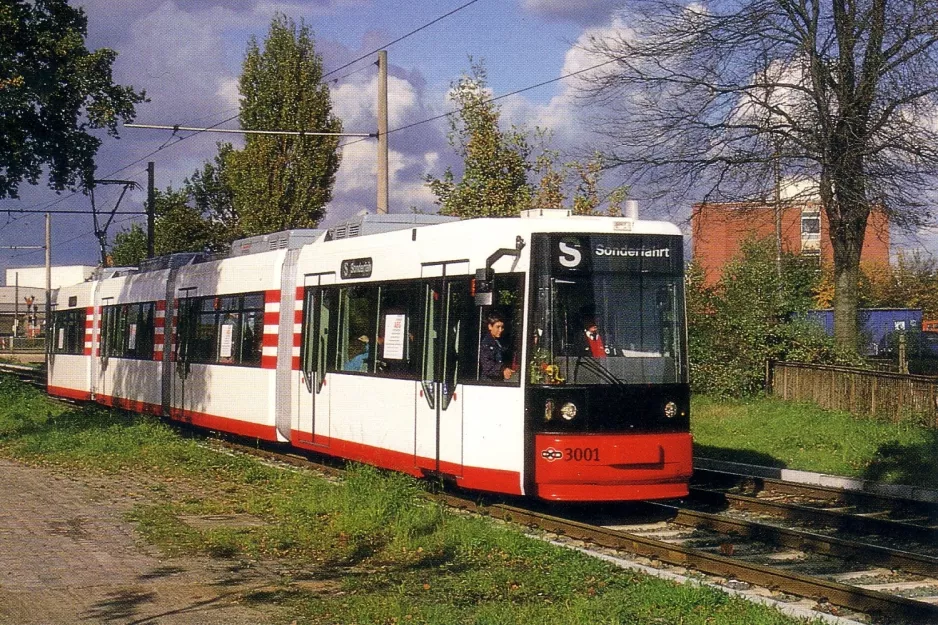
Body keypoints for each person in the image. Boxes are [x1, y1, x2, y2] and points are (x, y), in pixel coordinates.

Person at [479, 311, 513, 381]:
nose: (500, 330)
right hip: (488, 383)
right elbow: (487, 366)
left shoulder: (499, 342)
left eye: (502, 327)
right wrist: (502, 370)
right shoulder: (486, 343)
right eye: (498, 327)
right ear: (490, 327)